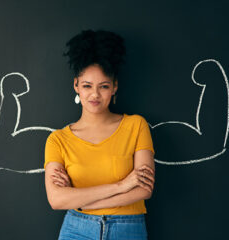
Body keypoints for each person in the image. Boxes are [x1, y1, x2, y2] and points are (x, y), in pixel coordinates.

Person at [44, 29, 155, 240]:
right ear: (76, 85)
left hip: (127, 229)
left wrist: (81, 201)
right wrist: (122, 185)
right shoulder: (58, 140)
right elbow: (56, 200)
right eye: (87, 86)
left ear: (114, 87)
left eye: (103, 86)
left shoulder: (136, 125)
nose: (95, 94)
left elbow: (144, 190)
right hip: (76, 230)